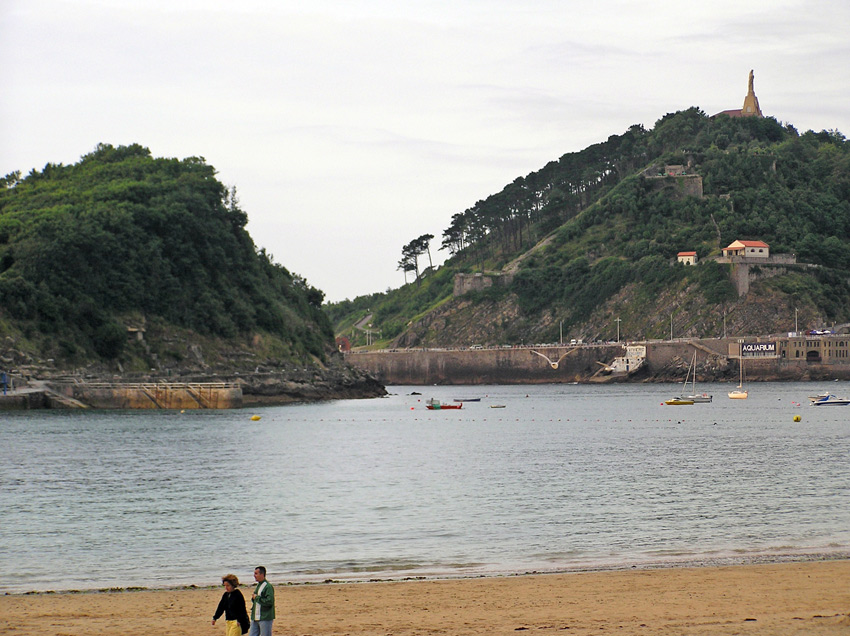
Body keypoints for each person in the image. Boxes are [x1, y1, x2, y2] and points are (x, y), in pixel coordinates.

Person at [249, 566, 275, 636]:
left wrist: (257, 598)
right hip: (255, 616)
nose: (254, 576)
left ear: (262, 574)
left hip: (265, 617)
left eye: (256, 573)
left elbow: (269, 602)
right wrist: (253, 598)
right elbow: (255, 599)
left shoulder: (267, 586)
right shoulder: (258, 585)